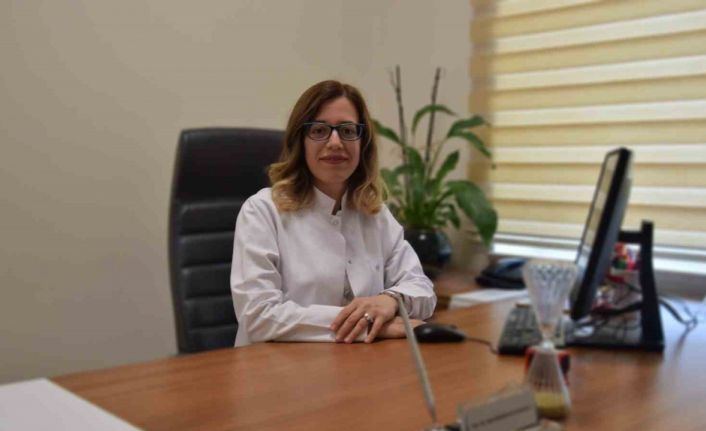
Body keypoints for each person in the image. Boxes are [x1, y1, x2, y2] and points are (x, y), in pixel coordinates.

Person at [230, 80, 436, 347]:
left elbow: (423, 291)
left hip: (358, 364)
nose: (335, 142)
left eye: (348, 130)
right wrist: (367, 324)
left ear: (363, 143)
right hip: (276, 367)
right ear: (300, 142)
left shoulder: (375, 215)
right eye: (319, 130)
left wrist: (390, 300)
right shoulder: (262, 211)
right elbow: (257, 316)